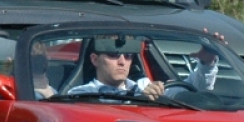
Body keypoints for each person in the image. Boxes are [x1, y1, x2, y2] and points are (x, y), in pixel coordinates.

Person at [66, 34, 221, 98]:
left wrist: (207, 63)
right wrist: (141, 100)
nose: (122, 62)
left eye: (128, 56)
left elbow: (194, 89)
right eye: (113, 55)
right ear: (95, 60)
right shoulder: (80, 94)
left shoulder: (145, 86)